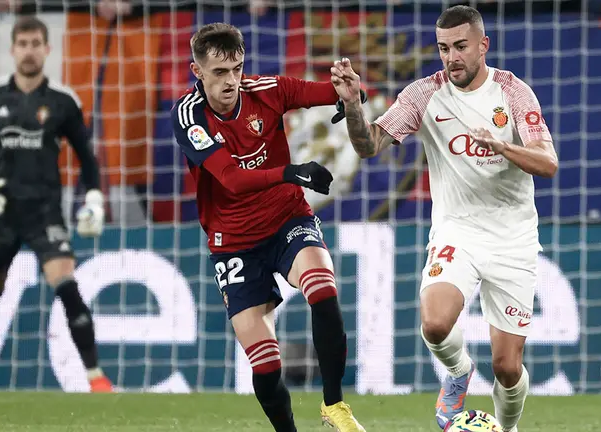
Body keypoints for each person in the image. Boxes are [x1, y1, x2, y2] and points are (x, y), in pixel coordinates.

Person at [331, 6, 558, 432]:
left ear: (482, 46)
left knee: (508, 369)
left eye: (460, 47)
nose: (451, 57)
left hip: (513, 240)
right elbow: (369, 145)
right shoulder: (424, 94)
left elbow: (548, 163)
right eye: (443, 48)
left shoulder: (512, 92)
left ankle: (505, 430)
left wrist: (502, 146)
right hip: (458, 230)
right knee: (435, 323)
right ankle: (457, 373)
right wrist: (352, 105)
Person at [171, 22, 365, 432]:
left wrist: (348, 90)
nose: (231, 81)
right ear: (197, 71)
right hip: (234, 243)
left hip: (285, 220)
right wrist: (292, 172)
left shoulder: (265, 90)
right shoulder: (188, 115)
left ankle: (335, 405)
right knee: (265, 364)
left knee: (322, 286)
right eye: (220, 73)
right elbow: (232, 179)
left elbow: (319, 92)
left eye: (237, 69)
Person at [0, 16, 113, 393]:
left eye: (36, 43)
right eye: (22, 43)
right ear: (12, 49)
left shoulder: (63, 101)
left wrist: (95, 199)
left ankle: (95, 377)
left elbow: (87, 159)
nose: (29, 50)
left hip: (44, 211)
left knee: (66, 286)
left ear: (46, 49)